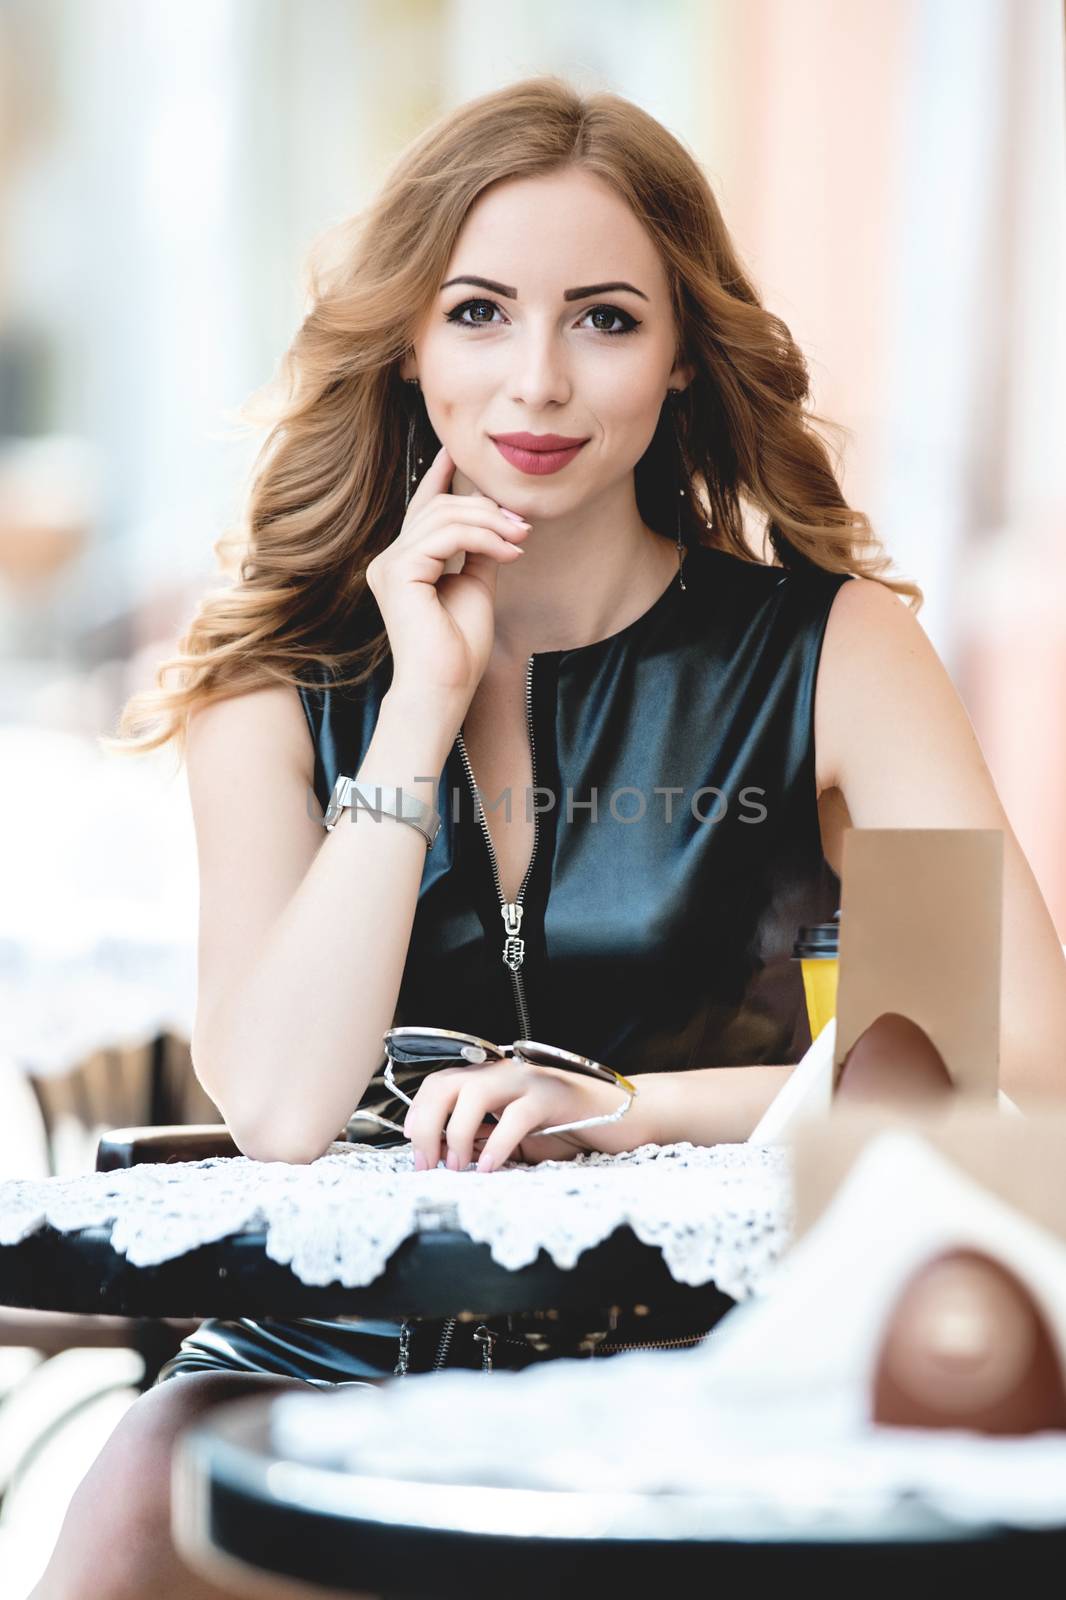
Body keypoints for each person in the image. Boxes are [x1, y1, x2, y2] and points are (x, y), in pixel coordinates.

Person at [32, 73, 1066, 1600]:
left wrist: (621, 1108)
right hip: (330, 1354)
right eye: (477, 312)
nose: (536, 383)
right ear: (405, 344)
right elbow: (278, 1103)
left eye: (601, 318)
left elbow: (1002, 1064)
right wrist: (416, 709)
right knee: (141, 1501)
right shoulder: (273, 681)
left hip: (714, 1345)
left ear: (681, 361)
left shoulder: (831, 655)